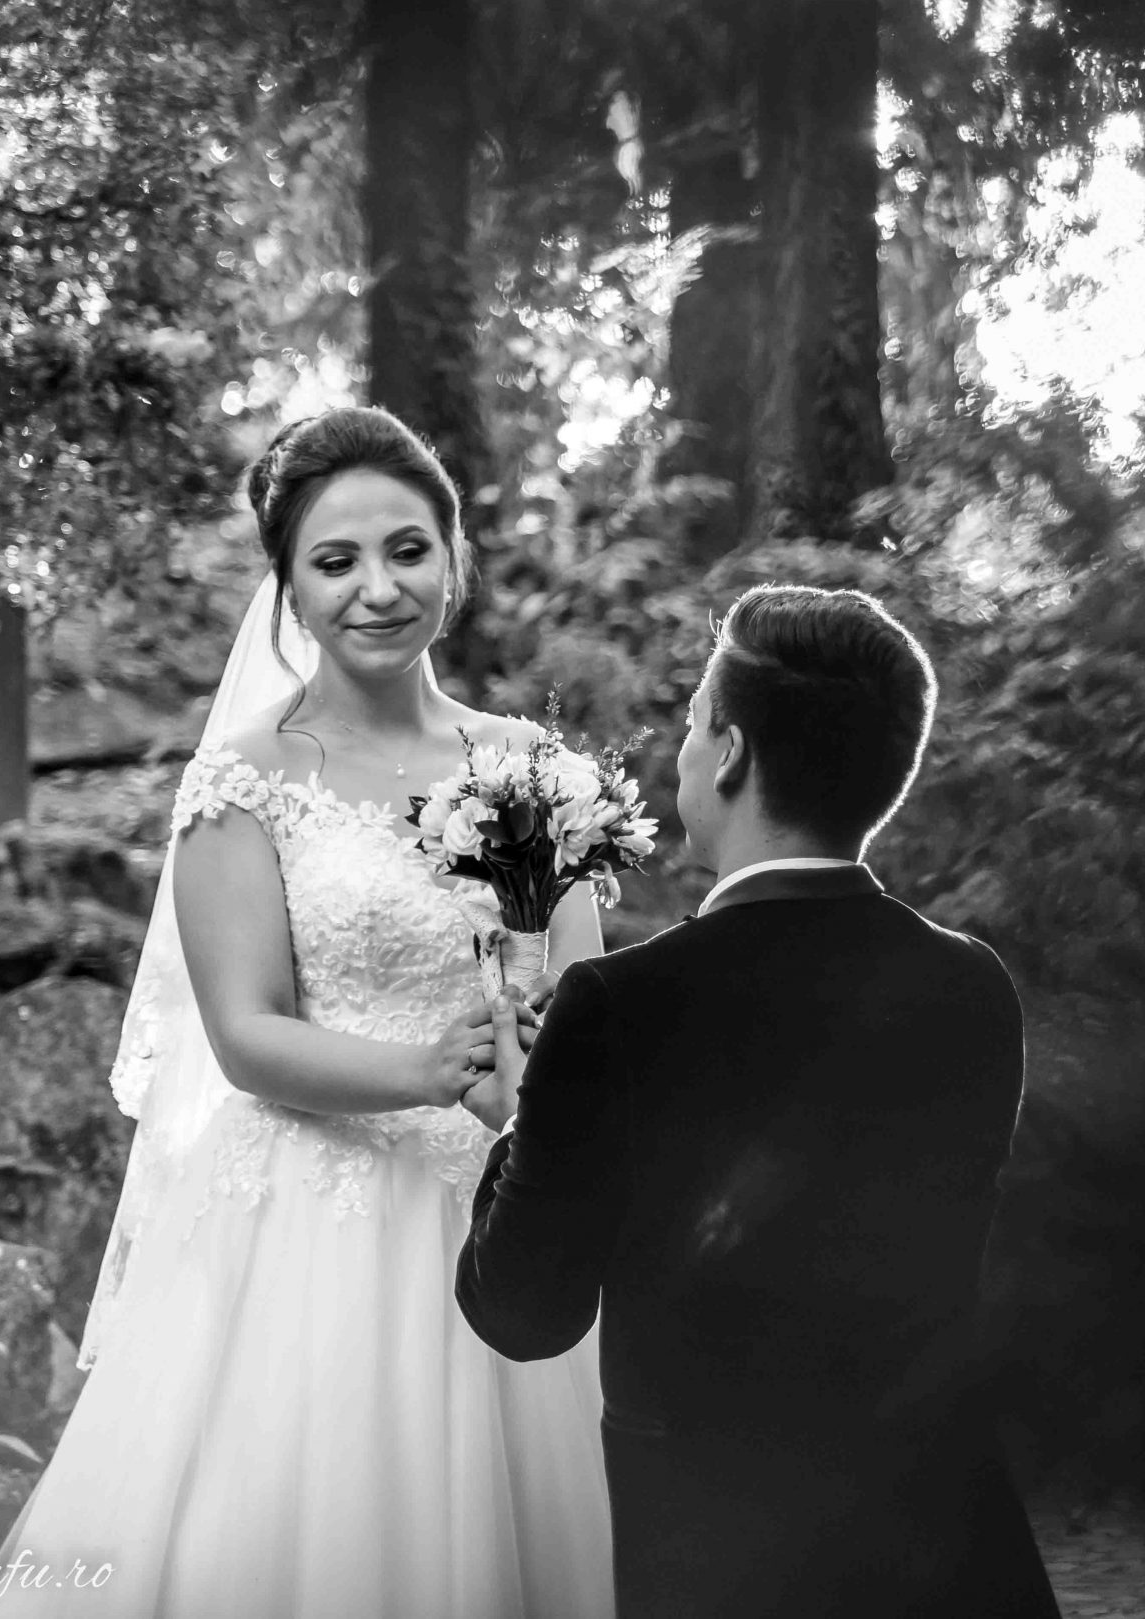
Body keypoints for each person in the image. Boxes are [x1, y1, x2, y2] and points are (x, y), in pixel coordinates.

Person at [0, 408, 617, 1619]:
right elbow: (247, 1034)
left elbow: (579, 995)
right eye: (336, 562)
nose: (379, 589)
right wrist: (430, 1074)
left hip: (507, 1210)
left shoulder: (529, 765)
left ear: (454, 559)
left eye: (408, 550)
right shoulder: (241, 784)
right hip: (307, 1221)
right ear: (291, 591)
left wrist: (528, 1073)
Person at [454, 584, 1060, 1618]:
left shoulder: (618, 1006)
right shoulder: (973, 987)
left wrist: (520, 1117)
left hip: (724, 1559)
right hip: (948, 1548)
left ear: (729, 752)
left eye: (692, 726)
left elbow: (521, 1312)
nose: (682, 753)